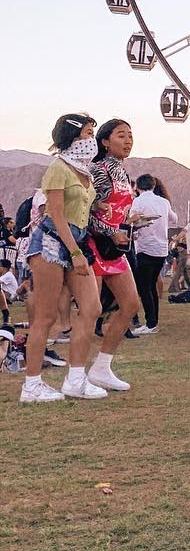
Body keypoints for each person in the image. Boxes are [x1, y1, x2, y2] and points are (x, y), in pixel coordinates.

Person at [21, 115, 106, 403]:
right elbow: (56, 214)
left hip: (76, 241)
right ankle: (32, 385)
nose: (91, 139)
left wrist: (98, 207)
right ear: (72, 136)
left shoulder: (84, 170)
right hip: (51, 243)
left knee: (91, 308)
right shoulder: (58, 168)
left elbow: (77, 207)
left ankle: (76, 379)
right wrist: (76, 253)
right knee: (45, 317)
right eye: (87, 133)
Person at [84, 118, 144, 389]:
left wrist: (129, 223)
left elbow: (114, 212)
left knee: (130, 304)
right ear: (105, 141)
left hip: (114, 248)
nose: (128, 140)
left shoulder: (122, 172)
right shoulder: (97, 170)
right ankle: (76, 373)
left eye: (130, 135)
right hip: (93, 245)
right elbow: (85, 212)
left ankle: (101, 367)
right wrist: (111, 231)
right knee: (90, 310)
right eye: (121, 135)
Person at [129, 172, 176, 335]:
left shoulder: (138, 201)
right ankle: (153, 322)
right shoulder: (164, 202)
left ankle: (150, 323)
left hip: (145, 247)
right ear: (153, 185)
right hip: (161, 249)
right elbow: (174, 219)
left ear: (137, 187)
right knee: (151, 286)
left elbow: (131, 219)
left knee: (144, 287)